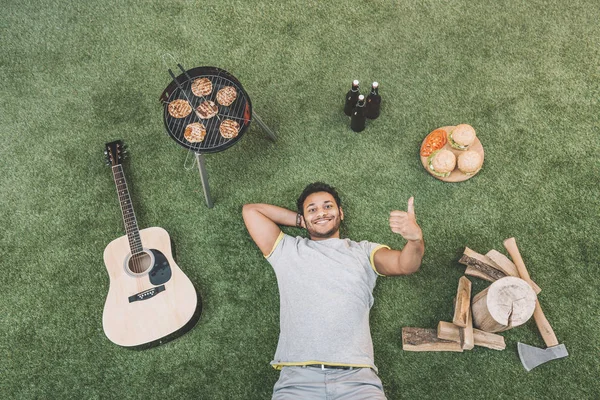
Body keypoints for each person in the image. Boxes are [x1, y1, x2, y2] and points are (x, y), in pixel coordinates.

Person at [242, 182, 424, 399]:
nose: (321, 212)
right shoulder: (287, 250)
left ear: (341, 213)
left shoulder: (364, 252)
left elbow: (406, 265)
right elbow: (251, 211)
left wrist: (415, 240)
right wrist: (302, 221)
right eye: (313, 209)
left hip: (358, 381)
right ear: (303, 217)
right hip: (297, 382)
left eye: (328, 207)